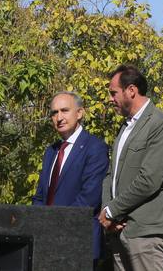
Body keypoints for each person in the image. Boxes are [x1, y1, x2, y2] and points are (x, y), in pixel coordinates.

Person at [99, 65, 163, 271]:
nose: (110, 99)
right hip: (119, 230)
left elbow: (150, 180)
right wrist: (107, 212)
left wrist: (112, 210)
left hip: (145, 233)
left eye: (113, 93)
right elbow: (111, 175)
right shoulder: (125, 127)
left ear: (131, 90)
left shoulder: (160, 124)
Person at [31, 91, 108, 262]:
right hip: (46, 242)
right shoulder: (51, 151)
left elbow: (89, 198)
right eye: (54, 113)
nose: (59, 117)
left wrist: (55, 225)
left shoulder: (95, 148)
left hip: (78, 241)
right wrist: (39, 224)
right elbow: (40, 196)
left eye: (64, 110)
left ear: (79, 113)